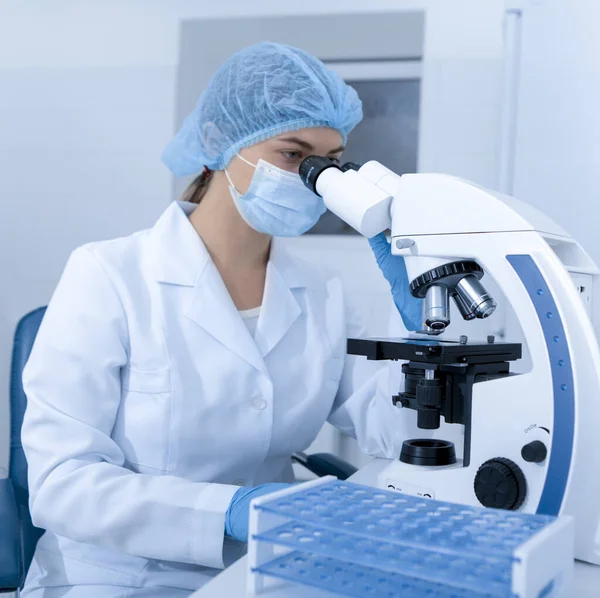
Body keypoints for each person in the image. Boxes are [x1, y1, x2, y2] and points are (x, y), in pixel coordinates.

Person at [20, 42, 423, 597]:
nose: (315, 179)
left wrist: (428, 331)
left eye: (329, 162)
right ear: (217, 143)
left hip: (270, 569)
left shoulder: (322, 292)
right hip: (121, 577)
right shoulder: (109, 275)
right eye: (294, 154)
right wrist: (227, 510)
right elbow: (61, 485)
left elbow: (392, 432)